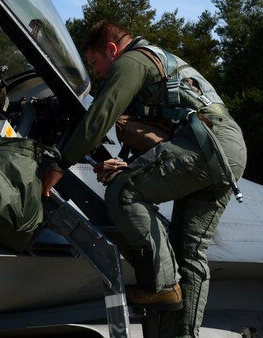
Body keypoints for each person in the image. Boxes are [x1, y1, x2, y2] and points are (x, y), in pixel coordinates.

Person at [41, 21, 247, 337]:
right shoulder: (158, 61)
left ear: (112, 49)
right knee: (189, 251)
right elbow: (166, 128)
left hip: (205, 144)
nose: (97, 73)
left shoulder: (132, 61)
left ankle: (163, 285)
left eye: (95, 63)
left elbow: (101, 114)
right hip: (229, 149)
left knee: (123, 193)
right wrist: (127, 164)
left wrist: (60, 164)